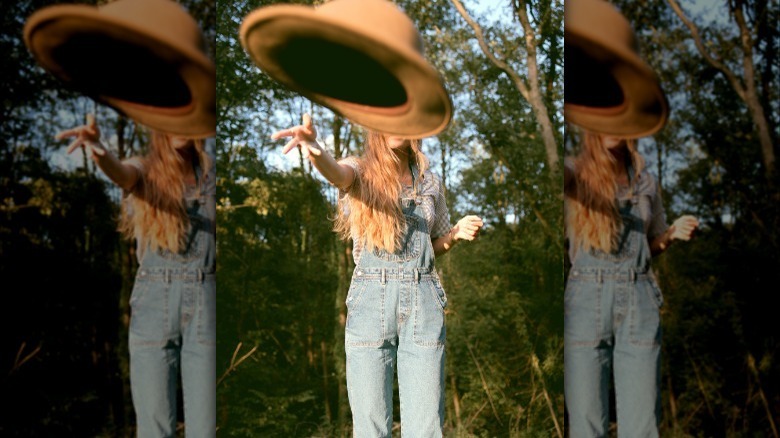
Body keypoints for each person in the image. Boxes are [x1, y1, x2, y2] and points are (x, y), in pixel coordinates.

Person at [272, 113, 483, 436]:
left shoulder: (430, 181)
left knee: (426, 427)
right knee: (370, 426)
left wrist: (454, 235)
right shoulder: (361, 171)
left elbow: (433, 244)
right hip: (370, 302)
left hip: (423, 298)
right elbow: (337, 174)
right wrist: (314, 147)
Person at [56, 114, 216, 438]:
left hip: (206, 301)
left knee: (204, 428)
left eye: (184, 114)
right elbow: (123, 174)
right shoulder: (144, 168)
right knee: (154, 429)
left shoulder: (212, 174)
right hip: (153, 302)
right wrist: (99, 149)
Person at [563, 131, 698, 436]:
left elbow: (649, 245)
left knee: (643, 424)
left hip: (639, 296)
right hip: (585, 301)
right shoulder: (574, 171)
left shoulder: (647, 180)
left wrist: (671, 234)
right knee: (585, 424)